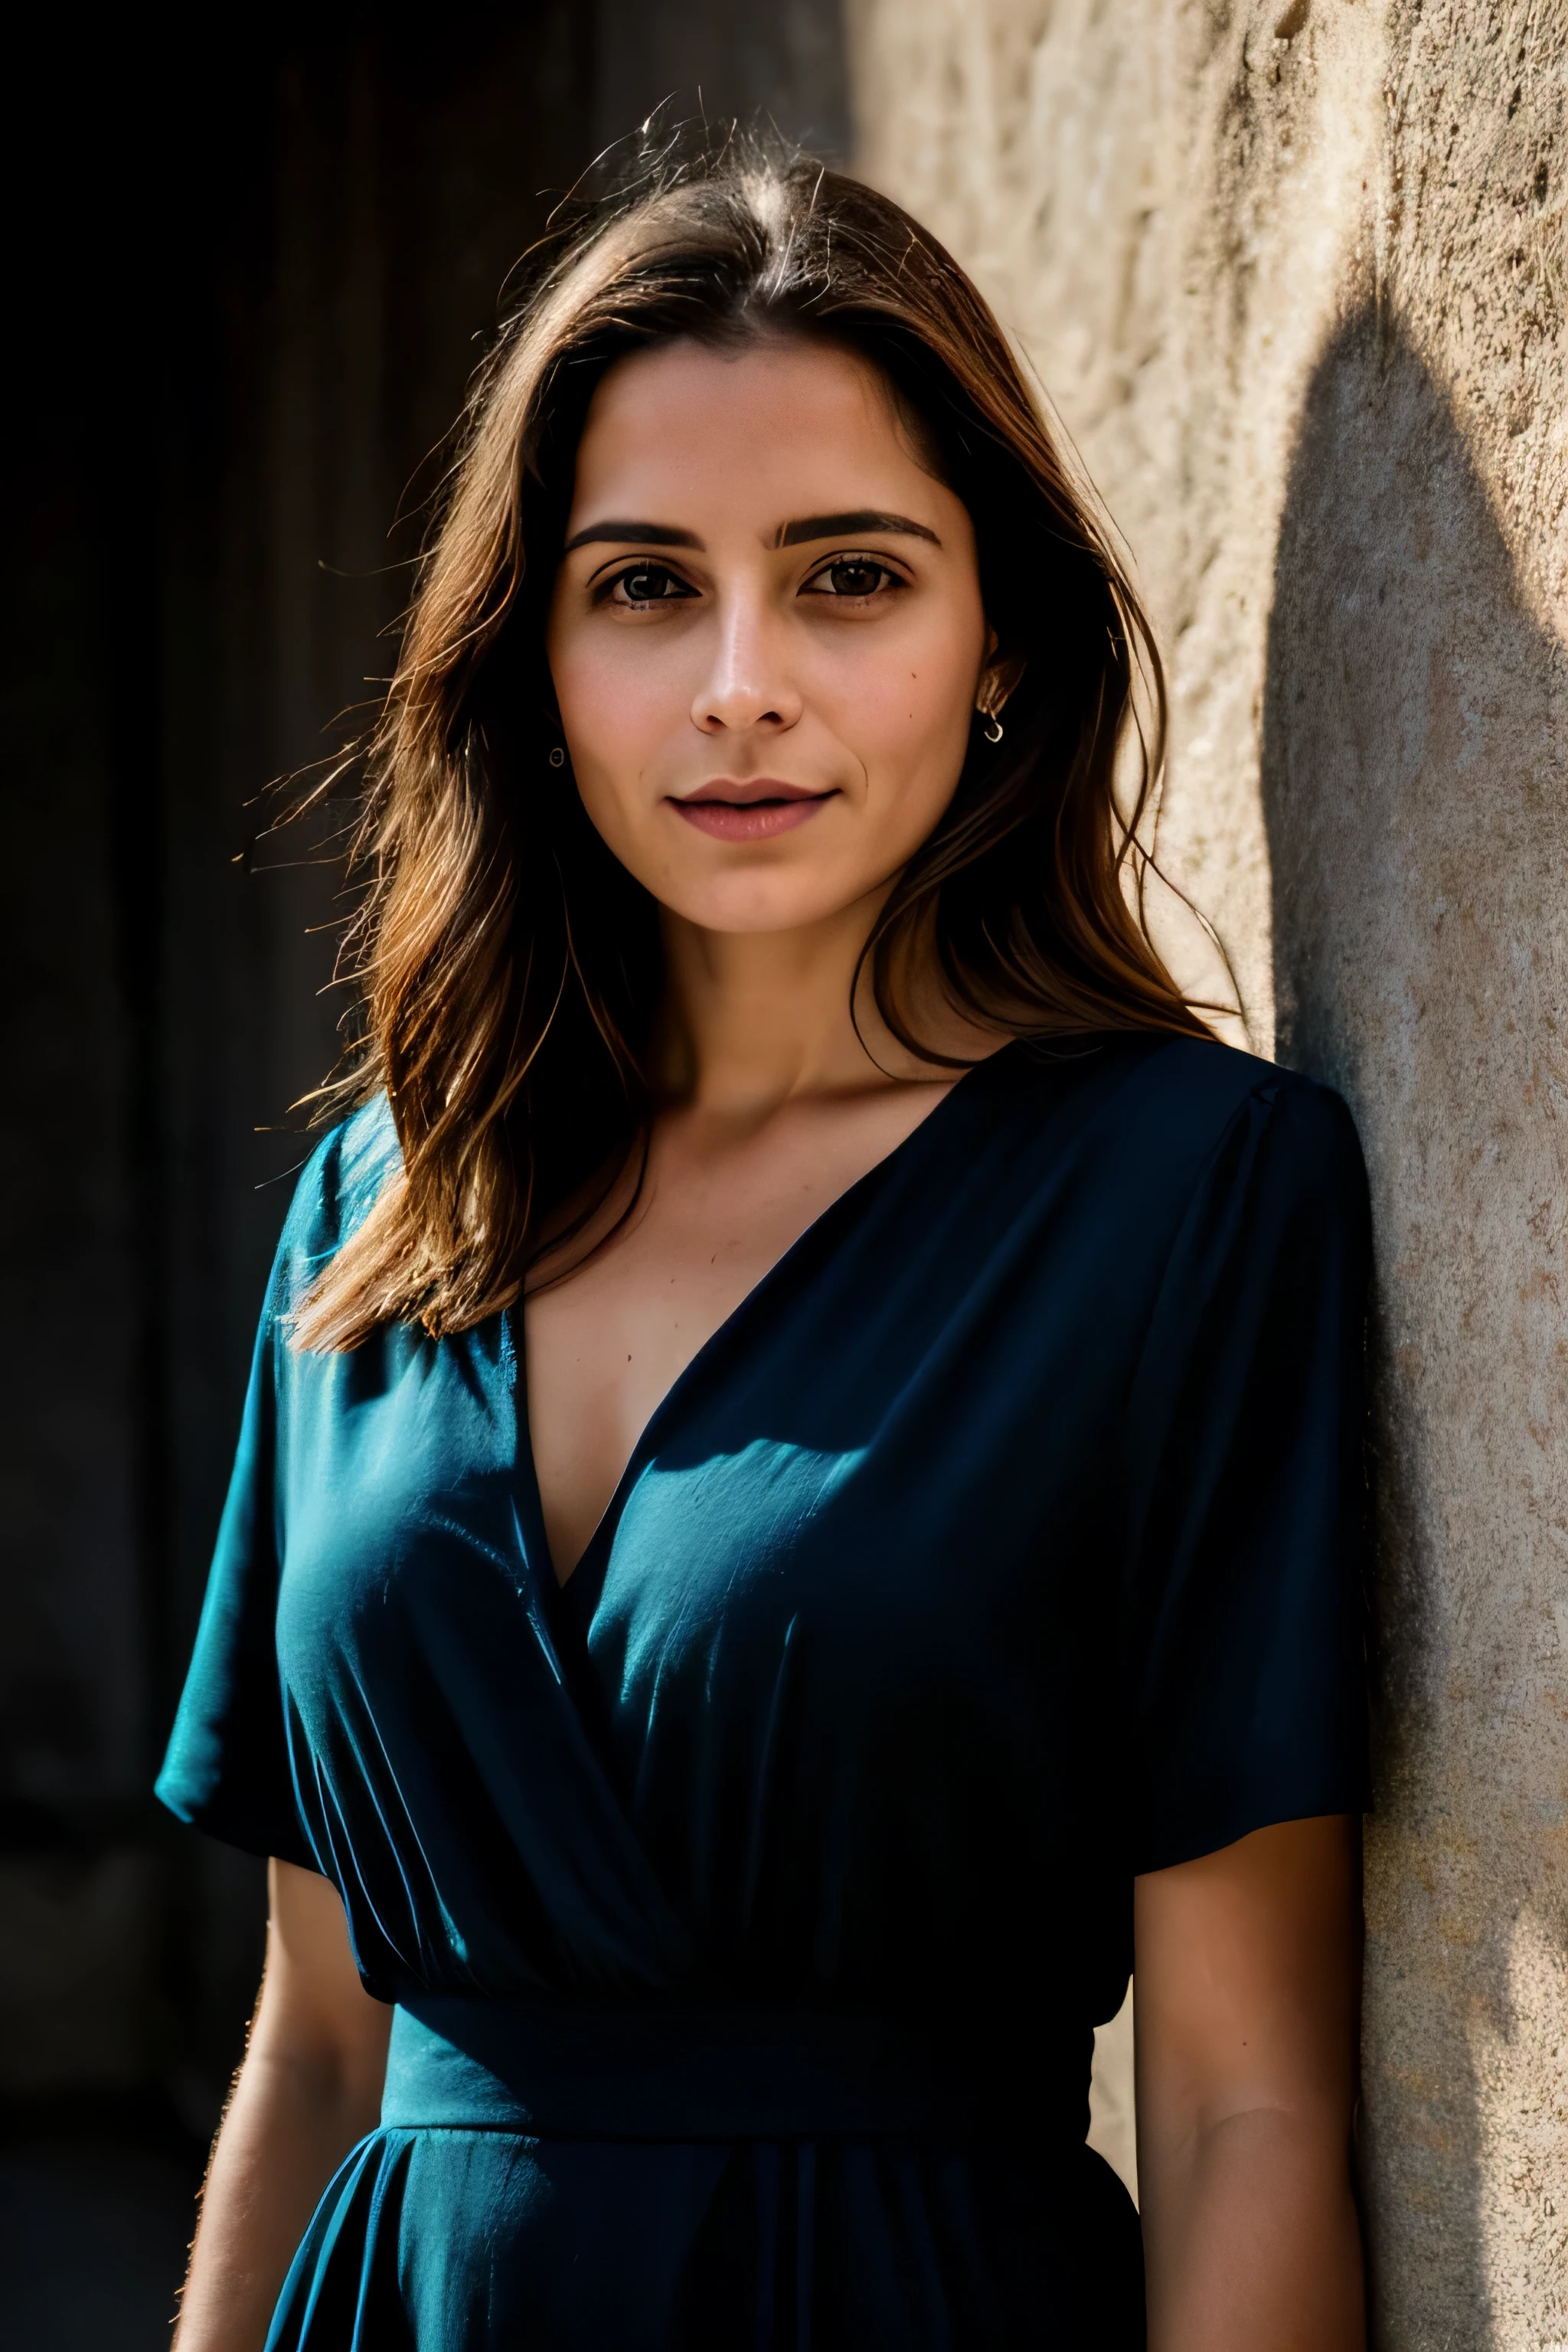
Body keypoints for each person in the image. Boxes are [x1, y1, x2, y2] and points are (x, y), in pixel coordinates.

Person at [157, 128, 1370, 2351]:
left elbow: (1243, 2105)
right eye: (643, 586)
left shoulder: (1194, 1198)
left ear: (998, 631)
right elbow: (320, 2048)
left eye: (848, 576)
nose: (741, 682)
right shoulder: (374, 1210)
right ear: (533, 660)